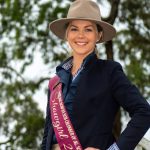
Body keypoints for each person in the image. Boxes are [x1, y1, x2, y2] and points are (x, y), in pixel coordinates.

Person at [41, 0, 150, 150]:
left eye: (88, 29)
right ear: (67, 34)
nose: (81, 35)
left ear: (98, 35)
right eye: (74, 29)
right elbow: (47, 134)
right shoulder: (55, 81)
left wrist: (114, 149)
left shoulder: (109, 72)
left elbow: (144, 112)